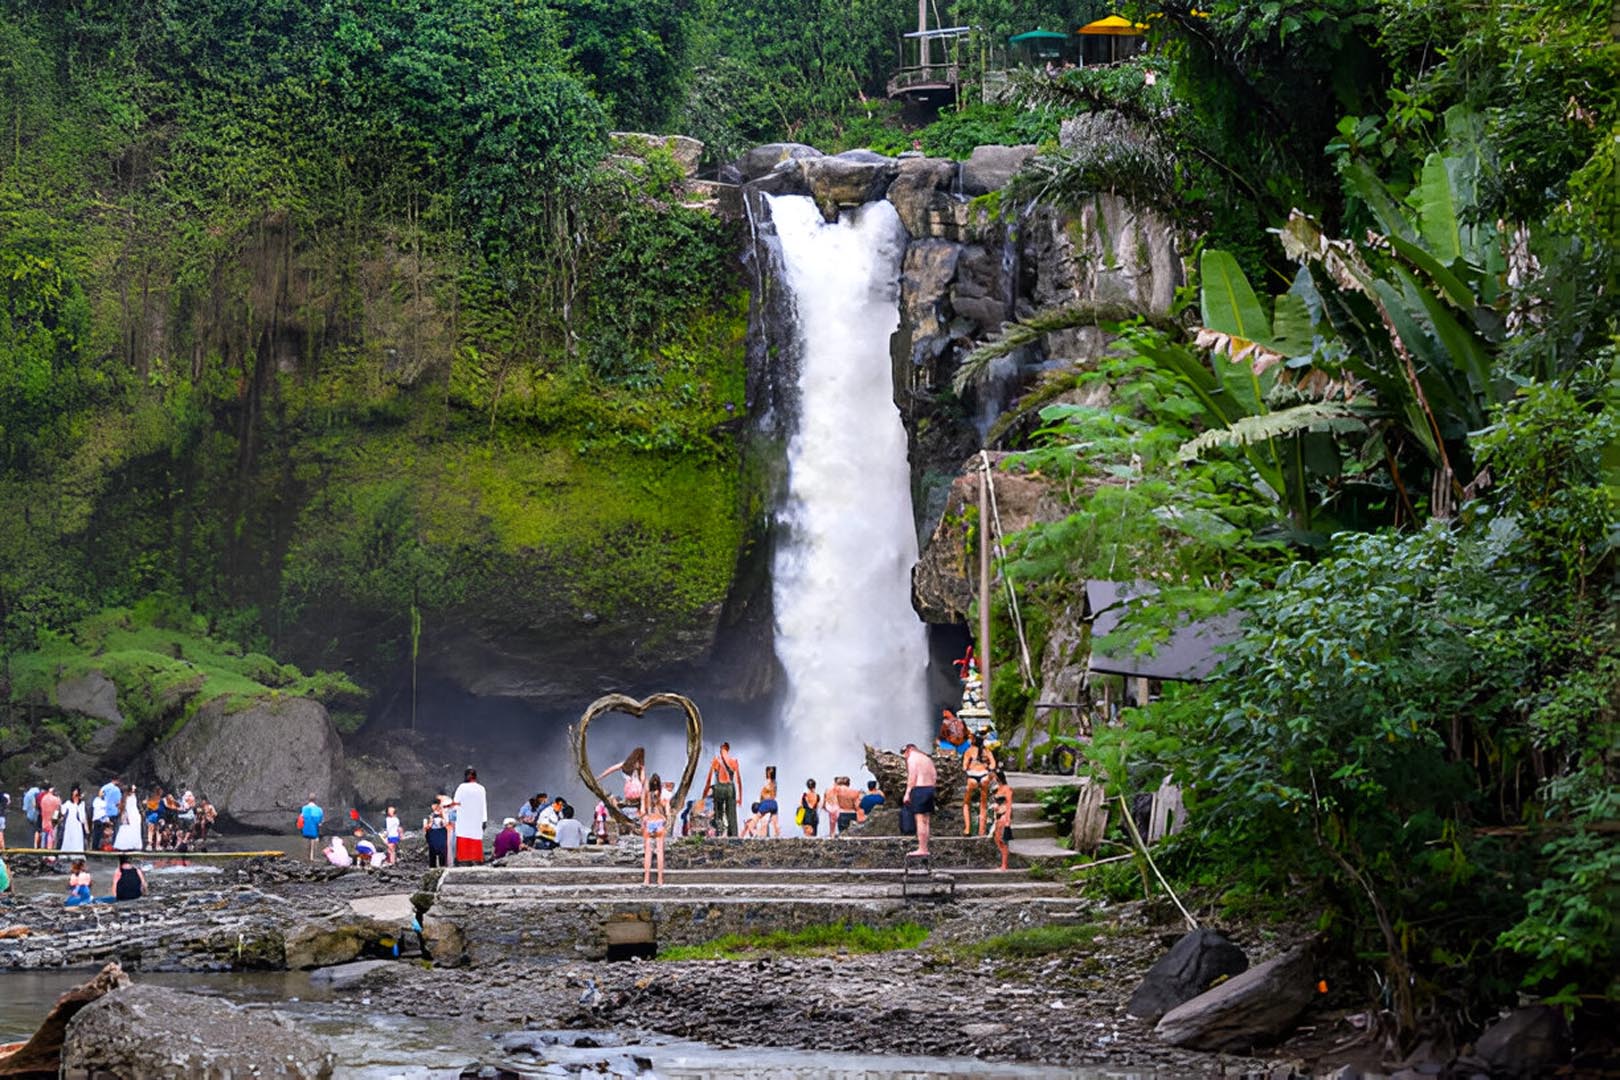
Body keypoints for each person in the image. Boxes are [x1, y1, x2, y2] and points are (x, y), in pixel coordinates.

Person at [902, 743, 938, 857]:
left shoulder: (912, 758)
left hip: (920, 789)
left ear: (908, 750)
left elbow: (912, 777)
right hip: (930, 789)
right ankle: (924, 847)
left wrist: (907, 793)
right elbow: (934, 775)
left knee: (920, 820)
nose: (904, 757)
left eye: (904, 754)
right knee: (926, 820)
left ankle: (922, 849)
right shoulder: (926, 758)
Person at [701, 741, 743, 838]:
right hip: (730, 788)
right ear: (728, 749)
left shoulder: (716, 760)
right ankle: (733, 837)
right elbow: (739, 781)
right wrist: (740, 798)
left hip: (719, 787)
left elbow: (709, 779)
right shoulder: (734, 761)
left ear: (721, 749)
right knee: (731, 815)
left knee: (718, 813)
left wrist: (704, 795)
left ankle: (718, 834)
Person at [962, 732, 997, 836]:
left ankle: (967, 829)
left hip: (972, 778)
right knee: (983, 805)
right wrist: (986, 767)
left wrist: (969, 767)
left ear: (973, 740)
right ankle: (981, 831)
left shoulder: (969, 751)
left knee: (966, 803)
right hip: (984, 777)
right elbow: (993, 765)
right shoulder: (987, 751)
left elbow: (964, 767)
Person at [451, 767, 488, 865]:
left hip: (464, 819)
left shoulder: (462, 787)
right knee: (475, 839)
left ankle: (463, 860)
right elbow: (483, 805)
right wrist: (484, 820)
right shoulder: (481, 788)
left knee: (464, 839)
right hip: (477, 819)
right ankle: (476, 859)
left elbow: (456, 803)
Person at [597, 747, 646, 820]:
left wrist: (600, 777)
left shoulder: (625, 764)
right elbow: (643, 780)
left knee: (625, 803)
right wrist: (642, 770)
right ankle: (635, 814)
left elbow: (611, 769)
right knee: (640, 804)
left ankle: (625, 812)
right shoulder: (640, 766)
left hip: (629, 789)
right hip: (637, 790)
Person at [641, 771, 670, 886]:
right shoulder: (664, 795)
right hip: (659, 822)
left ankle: (646, 879)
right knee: (659, 852)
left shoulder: (646, 795)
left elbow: (643, 811)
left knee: (648, 853)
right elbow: (667, 812)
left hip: (649, 822)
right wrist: (665, 820)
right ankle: (660, 880)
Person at [992, 770, 1015, 871]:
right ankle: (1002, 862)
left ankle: (1004, 865)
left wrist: (1008, 819)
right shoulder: (997, 789)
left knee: (1002, 840)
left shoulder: (1007, 789)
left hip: (1004, 815)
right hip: (997, 815)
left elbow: (1009, 804)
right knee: (997, 839)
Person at [59, 785, 88, 854]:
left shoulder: (81, 804)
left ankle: (77, 853)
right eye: (74, 795)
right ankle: (66, 852)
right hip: (69, 823)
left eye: (77, 795)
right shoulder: (68, 803)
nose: (75, 797)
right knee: (68, 837)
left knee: (77, 838)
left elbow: (83, 816)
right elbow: (62, 811)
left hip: (77, 824)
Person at [113, 786, 142, 851]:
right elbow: (123, 807)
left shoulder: (134, 796)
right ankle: (125, 844)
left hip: (135, 814)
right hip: (129, 814)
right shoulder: (126, 797)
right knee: (126, 828)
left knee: (134, 828)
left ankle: (133, 844)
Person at [97, 778, 122, 851]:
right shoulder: (117, 789)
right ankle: (114, 845)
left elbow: (100, 794)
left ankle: (101, 845)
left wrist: (104, 800)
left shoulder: (105, 787)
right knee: (115, 829)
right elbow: (118, 802)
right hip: (115, 811)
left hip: (106, 811)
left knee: (105, 830)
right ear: (116, 780)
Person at [756, 765, 781, 838]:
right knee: (773, 822)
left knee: (764, 822)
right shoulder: (774, 783)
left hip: (766, 803)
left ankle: (763, 836)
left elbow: (764, 793)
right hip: (771, 803)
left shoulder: (769, 782)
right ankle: (772, 835)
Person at [424, 799, 449, 868]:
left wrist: (442, 817)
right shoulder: (429, 815)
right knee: (432, 850)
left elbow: (446, 824)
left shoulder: (443, 814)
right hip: (432, 832)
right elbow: (425, 826)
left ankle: (443, 865)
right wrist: (430, 822)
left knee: (442, 849)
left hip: (441, 832)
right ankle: (432, 866)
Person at [299, 794, 324, 861]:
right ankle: (312, 857)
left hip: (305, 832)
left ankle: (306, 858)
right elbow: (320, 823)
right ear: (315, 800)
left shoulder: (304, 808)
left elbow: (301, 819)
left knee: (306, 846)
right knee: (315, 840)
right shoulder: (319, 810)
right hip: (314, 834)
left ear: (308, 799)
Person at [37, 784, 61, 850]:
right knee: (51, 837)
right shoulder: (56, 799)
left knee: (44, 836)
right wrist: (56, 821)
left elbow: (41, 810)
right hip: (52, 822)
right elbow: (57, 811)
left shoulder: (43, 799)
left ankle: (43, 852)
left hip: (44, 821)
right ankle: (50, 853)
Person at [22, 782, 41, 848]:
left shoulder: (27, 795)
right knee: (39, 832)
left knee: (31, 833)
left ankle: (31, 847)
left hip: (30, 817)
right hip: (39, 815)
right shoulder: (38, 791)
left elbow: (25, 809)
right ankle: (39, 847)